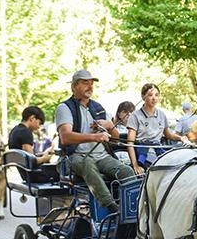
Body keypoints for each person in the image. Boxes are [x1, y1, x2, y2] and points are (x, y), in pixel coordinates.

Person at [55, 69, 136, 213]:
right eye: (85, 83)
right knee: (87, 164)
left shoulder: (98, 107)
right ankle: (111, 207)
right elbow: (65, 137)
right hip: (75, 157)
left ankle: (132, 209)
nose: (90, 86)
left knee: (127, 171)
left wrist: (110, 126)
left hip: (101, 156)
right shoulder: (65, 107)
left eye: (91, 83)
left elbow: (115, 139)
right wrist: (95, 137)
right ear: (74, 86)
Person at [126, 83, 192, 174]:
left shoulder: (161, 114)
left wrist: (181, 138)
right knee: (163, 170)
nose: (154, 98)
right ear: (143, 97)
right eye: (150, 95)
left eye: (156, 95)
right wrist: (135, 165)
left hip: (158, 149)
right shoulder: (135, 116)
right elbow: (130, 143)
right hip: (143, 153)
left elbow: (168, 134)